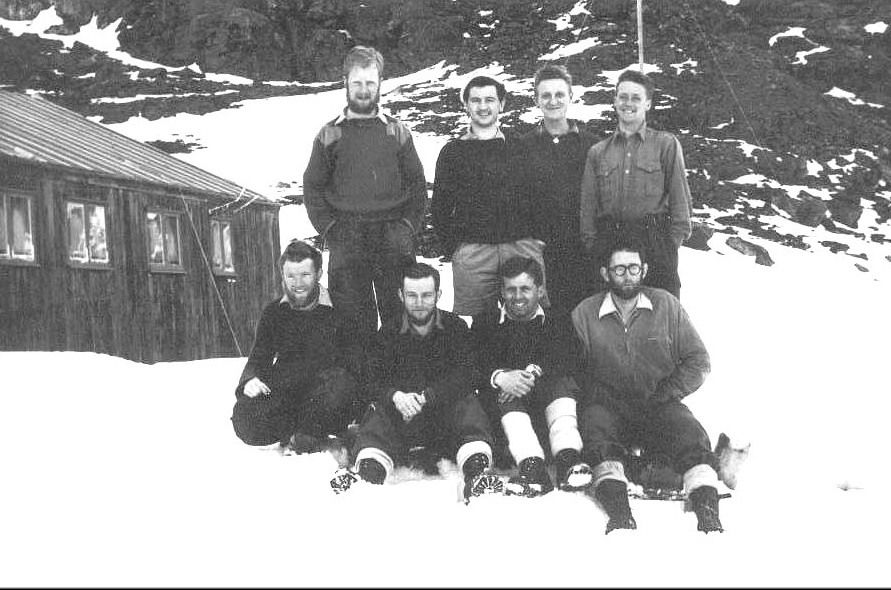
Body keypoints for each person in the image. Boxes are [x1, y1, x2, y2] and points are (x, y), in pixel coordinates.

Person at [570, 237, 723, 534]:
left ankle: (707, 512)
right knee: (596, 434)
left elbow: (698, 361)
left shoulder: (666, 306)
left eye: (633, 268)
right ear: (605, 274)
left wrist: (668, 392)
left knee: (689, 432)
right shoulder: (585, 314)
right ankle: (620, 514)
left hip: (658, 403)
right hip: (608, 407)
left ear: (645, 270)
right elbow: (573, 370)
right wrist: (598, 395)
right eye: (619, 269)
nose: (627, 276)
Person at [329, 262, 501, 502]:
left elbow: (467, 374)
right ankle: (368, 475)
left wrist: (430, 395)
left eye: (426, 295)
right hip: (403, 419)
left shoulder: (456, 327)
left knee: (468, 404)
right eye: (412, 295)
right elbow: (372, 379)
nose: (419, 302)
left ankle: (477, 474)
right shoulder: (388, 332)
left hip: (443, 419)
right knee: (378, 412)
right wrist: (396, 396)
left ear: (438, 295)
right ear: (401, 295)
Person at [303, 45, 427, 341]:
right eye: (357, 82)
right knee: (353, 325)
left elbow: (418, 185)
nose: (363, 90)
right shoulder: (329, 134)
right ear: (345, 82)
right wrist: (331, 229)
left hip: (393, 238)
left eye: (370, 82)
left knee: (400, 320)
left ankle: (399, 372)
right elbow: (312, 187)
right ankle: (361, 373)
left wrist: (407, 227)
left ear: (380, 83)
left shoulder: (397, 132)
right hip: (348, 238)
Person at [472, 256, 592, 497]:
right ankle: (532, 467)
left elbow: (571, 357)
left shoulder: (557, 319)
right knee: (506, 394)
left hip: (549, 415)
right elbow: (472, 365)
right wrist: (500, 378)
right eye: (511, 289)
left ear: (540, 290)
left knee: (562, 382)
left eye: (525, 289)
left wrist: (532, 373)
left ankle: (569, 460)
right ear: (502, 292)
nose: (517, 296)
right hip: (507, 423)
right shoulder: (486, 323)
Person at [431, 75, 547, 320]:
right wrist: (456, 249)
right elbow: (440, 207)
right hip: (474, 253)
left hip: (520, 246)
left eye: (489, 100)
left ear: (501, 104)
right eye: (476, 100)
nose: (483, 106)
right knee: (479, 324)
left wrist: (536, 239)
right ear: (466, 105)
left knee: (529, 317)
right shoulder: (452, 152)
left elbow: (538, 195)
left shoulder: (520, 146)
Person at [231, 239, 363, 453]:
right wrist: (249, 381)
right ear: (282, 276)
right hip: (288, 393)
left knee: (339, 386)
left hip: (327, 392)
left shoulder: (342, 308)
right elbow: (259, 358)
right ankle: (303, 433)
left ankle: (309, 432)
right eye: (291, 276)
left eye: (305, 275)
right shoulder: (274, 312)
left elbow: (356, 364)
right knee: (244, 415)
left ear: (319, 274)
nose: (298, 283)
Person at [579, 69, 693, 298]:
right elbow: (588, 207)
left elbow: (681, 202)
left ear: (648, 103)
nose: (628, 103)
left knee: (661, 312)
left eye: (636, 98)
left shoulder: (665, 144)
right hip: (611, 244)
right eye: (623, 97)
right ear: (615, 101)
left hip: (655, 243)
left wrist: (668, 246)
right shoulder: (598, 152)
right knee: (609, 312)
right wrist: (595, 247)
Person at [522, 65, 599, 317]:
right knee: (550, 322)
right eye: (546, 95)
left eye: (559, 94)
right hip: (540, 254)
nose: (553, 101)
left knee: (585, 320)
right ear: (536, 100)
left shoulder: (592, 145)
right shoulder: (522, 147)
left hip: (583, 253)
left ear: (571, 97)